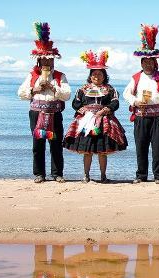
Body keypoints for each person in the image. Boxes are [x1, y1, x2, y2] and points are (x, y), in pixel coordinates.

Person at [17, 22, 71, 183]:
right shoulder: (32, 75)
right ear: (39, 62)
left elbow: (67, 95)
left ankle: (57, 174)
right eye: (44, 61)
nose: (47, 63)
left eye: (50, 60)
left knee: (55, 144)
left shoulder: (60, 76)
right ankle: (39, 174)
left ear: (54, 61)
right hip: (36, 113)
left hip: (54, 113)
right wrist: (35, 89)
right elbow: (21, 93)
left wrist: (53, 89)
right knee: (38, 144)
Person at [63, 50, 127, 183]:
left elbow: (115, 103)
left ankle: (103, 175)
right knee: (87, 150)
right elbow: (76, 102)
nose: (97, 76)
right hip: (86, 121)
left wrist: (105, 110)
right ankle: (86, 175)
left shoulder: (110, 89)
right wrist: (80, 109)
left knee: (103, 150)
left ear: (104, 76)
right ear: (90, 76)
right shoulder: (82, 89)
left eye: (100, 73)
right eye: (94, 74)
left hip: (104, 121)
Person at [122, 24, 159, 185]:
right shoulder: (136, 77)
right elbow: (126, 93)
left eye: (151, 62)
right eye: (145, 62)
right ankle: (141, 175)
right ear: (142, 63)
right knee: (141, 147)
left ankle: (158, 176)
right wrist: (135, 101)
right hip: (141, 116)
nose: (148, 65)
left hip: (158, 117)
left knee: (157, 148)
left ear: (154, 63)